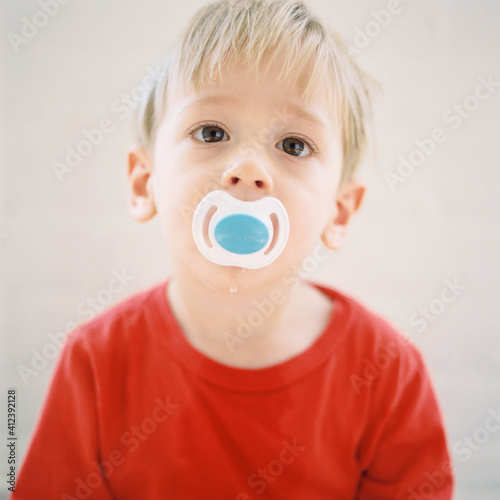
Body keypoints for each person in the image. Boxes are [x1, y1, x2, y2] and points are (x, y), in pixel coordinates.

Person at [12, 0, 454, 498]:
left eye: (293, 145)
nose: (247, 167)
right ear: (145, 184)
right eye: (211, 133)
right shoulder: (93, 365)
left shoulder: (386, 375)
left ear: (339, 211)